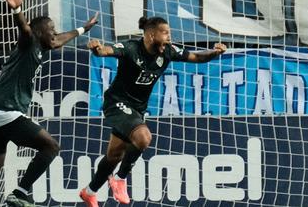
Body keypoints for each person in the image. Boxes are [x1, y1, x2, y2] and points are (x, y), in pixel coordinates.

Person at [0, 0, 97, 207]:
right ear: (38, 33)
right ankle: (19, 192)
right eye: (51, 29)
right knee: (51, 147)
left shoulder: (43, 47)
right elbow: (25, 30)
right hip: (4, 110)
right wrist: (17, 9)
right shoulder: (29, 44)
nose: (55, 33)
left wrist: (84, 28)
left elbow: (59, 41)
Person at [79, 17, 226, 207]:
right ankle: (120, 179)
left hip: (137, 109)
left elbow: (197, 57)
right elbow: (106, 51)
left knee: (115, 155)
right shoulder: (131, 48)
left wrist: (215, 52)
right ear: (151, 35)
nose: (169, 38)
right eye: (165, 33)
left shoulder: (167, 52)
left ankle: (89, 192)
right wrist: (97, 48)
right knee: (143, 137)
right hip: (116, 103)